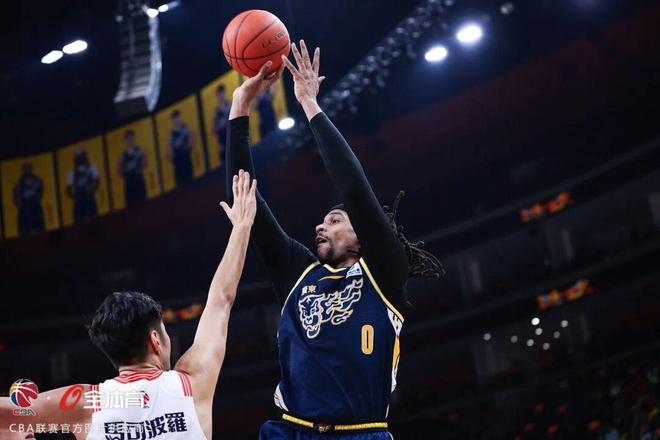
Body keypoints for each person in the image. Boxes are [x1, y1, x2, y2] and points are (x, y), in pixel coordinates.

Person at [226, 41, 444, 439]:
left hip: (360, 431)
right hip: (292, 431)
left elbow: (354, 188)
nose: (320, 226)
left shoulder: (384, 272)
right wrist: (240, 108)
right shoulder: (298, 274)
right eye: (322, 221)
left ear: (364, 235)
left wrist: (309, 104)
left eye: (335, 219)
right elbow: (244, 198)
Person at [0, 171, 258, 439]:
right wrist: (242, 227)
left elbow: (8, 413)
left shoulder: (86, 403)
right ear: (155, 340)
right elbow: (221, 300)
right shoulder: (192, 382)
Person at [66, 149, 100, 223]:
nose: (80, 159)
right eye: (78, 157)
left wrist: (91, 190)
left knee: (94, 222)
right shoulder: (71, 173)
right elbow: (68, 190)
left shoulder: (92, 168)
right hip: (79, 204)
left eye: (82, 156)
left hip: (90, 201)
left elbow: (97, 181)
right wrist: (77, 196)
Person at [12, 162, 45, 236]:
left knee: (38, 229)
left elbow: (41, 192)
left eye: (29, 168)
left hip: (35, 208)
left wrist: (39, 188)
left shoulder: (37, 179)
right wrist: (17, 202)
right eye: (26, 168)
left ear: (31, 169)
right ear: (23, 170)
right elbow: (15, 196)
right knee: (25, 231)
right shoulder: (19, 182)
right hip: (24, 209)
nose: (27, 170)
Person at [117, 130, 147, 209]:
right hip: (129, 183)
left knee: (143, 203)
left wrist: (140, 166)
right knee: (131, 206)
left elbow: (145, 162)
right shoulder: (123, 156)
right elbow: (119, 171)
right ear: (125, 140)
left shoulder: (139, 151)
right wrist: (123, 172)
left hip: (138, 180)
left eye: (131, 138)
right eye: (128, 139)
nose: (130, 140)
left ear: (133, 138)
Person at [168, 110, 195, 186]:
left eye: (177, 117)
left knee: (190, 178)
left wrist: (188, 147)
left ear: (180, 117)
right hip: (177, 159)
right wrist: (171, 156)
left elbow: (191, 138)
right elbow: (170, 147)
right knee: (180, 181)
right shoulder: (172, 134)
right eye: (175, 118)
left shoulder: (185, 128)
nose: (176, 119)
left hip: (186, 156)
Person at [213, 84, 231, 166]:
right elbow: (214, 130)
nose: (221, 96)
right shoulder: (216, 112)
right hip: (222, 141)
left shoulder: (230, 106)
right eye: (219, 94)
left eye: (222, 93)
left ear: (224, 93)